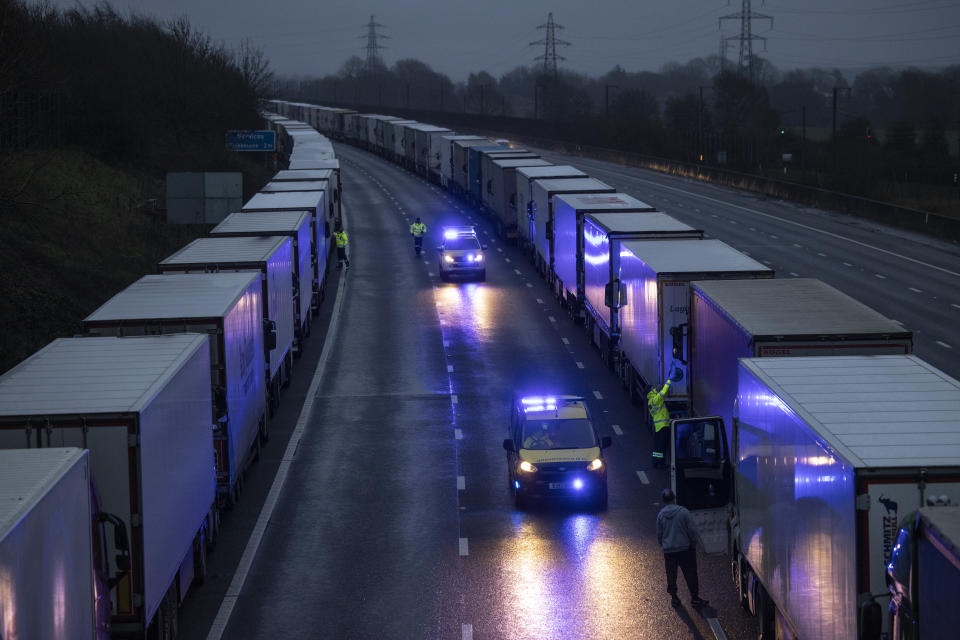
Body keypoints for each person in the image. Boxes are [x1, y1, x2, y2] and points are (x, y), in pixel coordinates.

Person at [657, 488, 708, 609]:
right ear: (674, 498)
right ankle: (694, 598)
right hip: (685, 549)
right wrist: (693, 543)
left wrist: (664, 545)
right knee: (690, 574)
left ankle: (674, 598)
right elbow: (692, 531)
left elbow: (659, 534)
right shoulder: (683, 512)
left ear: (663, 501)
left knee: (671, 575)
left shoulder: (661, 515)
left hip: (669, 551)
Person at [648, 366, 681, 467]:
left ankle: (655, 462)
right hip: (663, 426)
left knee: (658, 446)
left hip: (659, 426)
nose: (656, 389)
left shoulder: (651, 401)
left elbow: (663, 395)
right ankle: (660, 463)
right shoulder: (655, 400)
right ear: (653, 392)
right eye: (655, 389)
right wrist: (669, 380)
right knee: (662, 446)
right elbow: (663, 393)